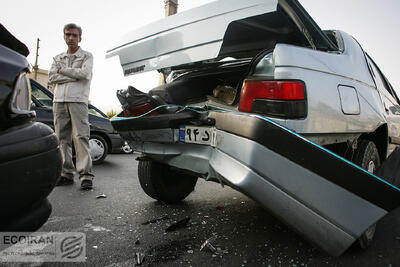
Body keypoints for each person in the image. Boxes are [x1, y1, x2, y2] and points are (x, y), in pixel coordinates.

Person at [49, 23, 94, 190]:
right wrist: (72, 76)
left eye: (74, 35)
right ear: (64, 36)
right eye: (68, 34)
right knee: (61, 138)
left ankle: (86, 175)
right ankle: (66, 173)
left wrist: (63, 72)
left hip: (78, 101)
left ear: (80, 38)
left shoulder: (87, 56)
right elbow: (52, 77)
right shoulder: (57, 58)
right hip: (59, 101)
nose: (71, 38)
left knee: (81, 137)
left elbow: (85, 74)